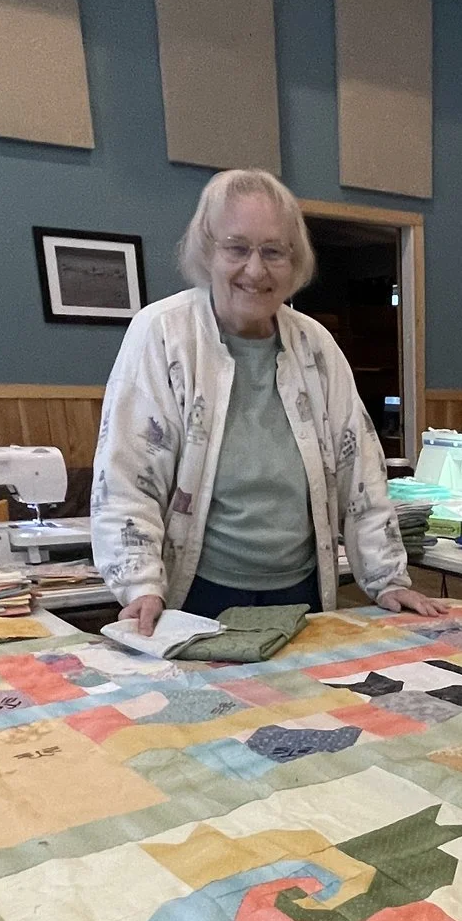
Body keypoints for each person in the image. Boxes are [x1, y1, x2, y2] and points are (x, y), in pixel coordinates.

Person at [91, 168, 442, 633]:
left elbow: (360, 469)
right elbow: (127, 476)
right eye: (237, 248)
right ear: (207, 250)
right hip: (196, 589)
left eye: (273, 251)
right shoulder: (162, 334)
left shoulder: (315, 345)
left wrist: (387, 579)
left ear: (294, 261)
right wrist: (140, 584)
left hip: (301, 588)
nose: (255, 270)